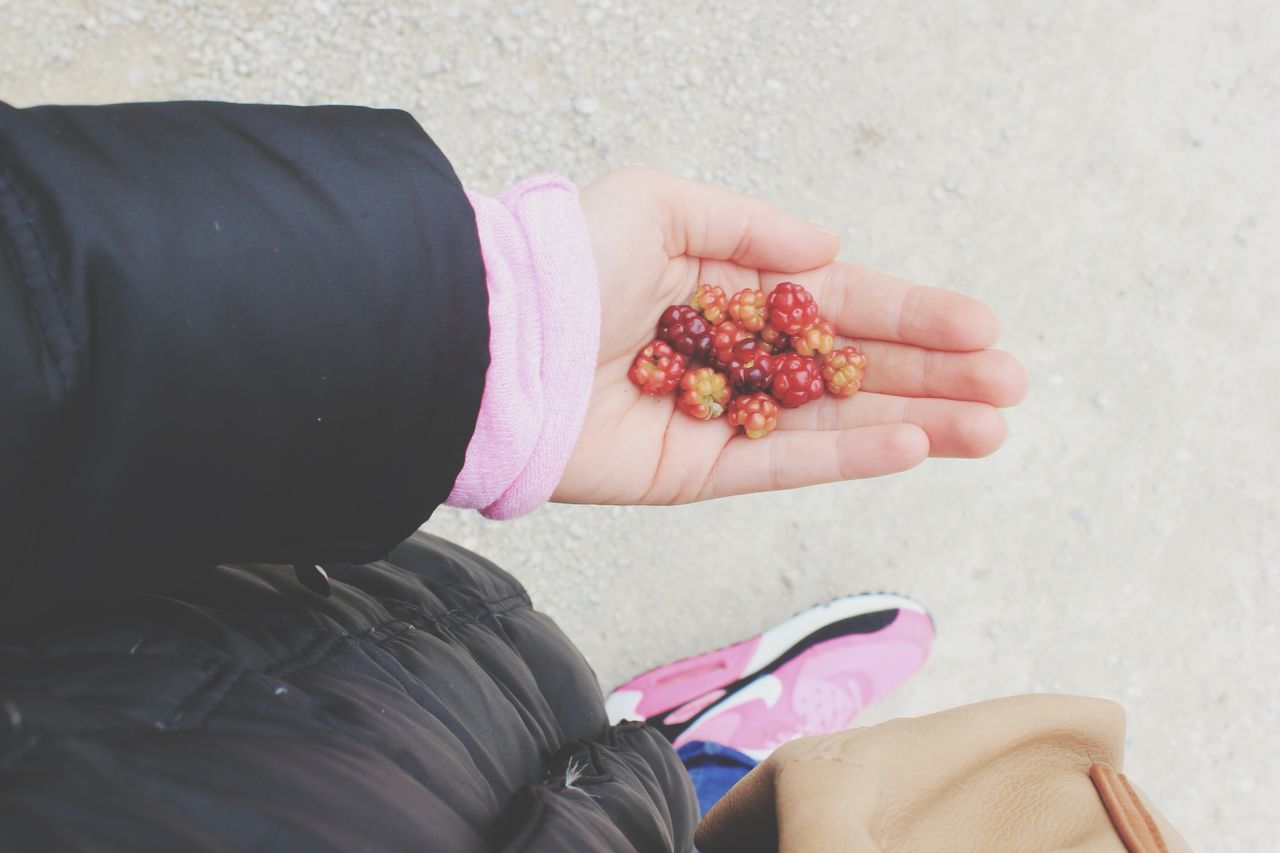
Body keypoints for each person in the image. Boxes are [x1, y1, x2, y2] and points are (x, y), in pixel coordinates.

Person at [0, 100, 1024, 850]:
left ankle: (646, 766)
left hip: (264, 681)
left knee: (534, 727)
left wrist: (488, 338)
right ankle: (694, 791)